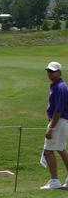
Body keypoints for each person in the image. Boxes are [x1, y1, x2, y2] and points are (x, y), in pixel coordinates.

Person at [40, 61, 68, 190]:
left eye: (53, 71)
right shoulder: (57, 86)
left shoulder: (60, 87)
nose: (50, 74)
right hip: (61, 122)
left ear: (59, 72)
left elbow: (58, 110)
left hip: (58, 121)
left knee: (48, 151)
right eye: (48, 71)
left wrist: (51, 127)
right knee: (61, 150)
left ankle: (54, 181)